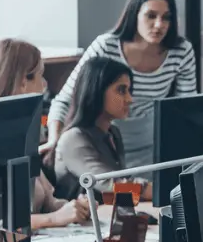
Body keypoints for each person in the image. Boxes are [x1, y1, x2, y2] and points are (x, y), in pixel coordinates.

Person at [44, 0, 196, 170]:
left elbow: (187, 109)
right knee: (120, 187)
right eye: (151, 16)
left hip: (154, 146)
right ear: (134, 14)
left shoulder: (181, 51)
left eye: (166, 18)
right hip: (106, 145)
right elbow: (64, 101)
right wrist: (54, 140)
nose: (159, 25)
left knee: (154, 187)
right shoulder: (106, 46)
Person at [0, 38, 89, 230]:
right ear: (23, 81)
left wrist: (75, 208)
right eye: (41, 75)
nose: (45, 85)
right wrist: (54, 218)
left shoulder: (22, 136)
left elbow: (48, 202)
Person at [53, 57, 148, 200]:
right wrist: (152, 191)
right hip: (83, 214)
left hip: (107, 211)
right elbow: (113, 186)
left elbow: (121, 182)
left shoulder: (113, 132)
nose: (130, 99)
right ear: (96, 90)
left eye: (129, 91)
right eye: (121, 90)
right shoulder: (73, 138)